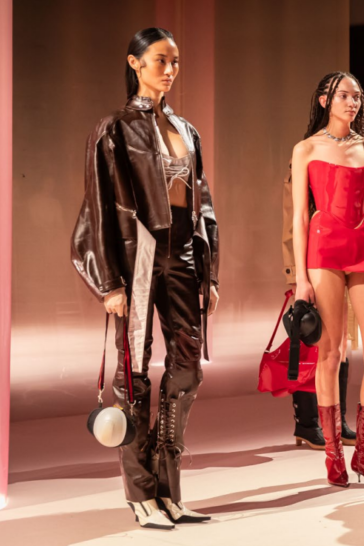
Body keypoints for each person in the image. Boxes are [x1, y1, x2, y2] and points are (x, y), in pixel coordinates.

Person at [71, 27, 219, 529]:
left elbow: (203, 205)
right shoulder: (113, 129)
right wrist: (108, 282)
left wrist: (210, 273)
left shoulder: (187, 129)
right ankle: (140, 493)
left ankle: (169, 488)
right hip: (138, 255)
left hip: (184, 253)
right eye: (159, 60)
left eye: (175, 61)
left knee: (187, 367)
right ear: (134, 63)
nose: (170, 70)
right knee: (133, 369)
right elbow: (98, 207)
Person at [290, 71, 364, 488]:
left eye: (357, 96)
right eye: (343, 95)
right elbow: (300, 216)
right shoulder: (306, 148)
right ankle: (334, 455)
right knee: (331, 352)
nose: (352, 102)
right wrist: (301, 278)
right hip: (324, 250)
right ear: (324, 100)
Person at [282, 166, 359, 450]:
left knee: (342, 345)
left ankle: (336, 420)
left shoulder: (348, 159)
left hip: (345, 262)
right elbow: (293, 222)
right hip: (313, 265)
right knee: (313, 343)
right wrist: (295, 275)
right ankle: (307, 422)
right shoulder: (304, 161)